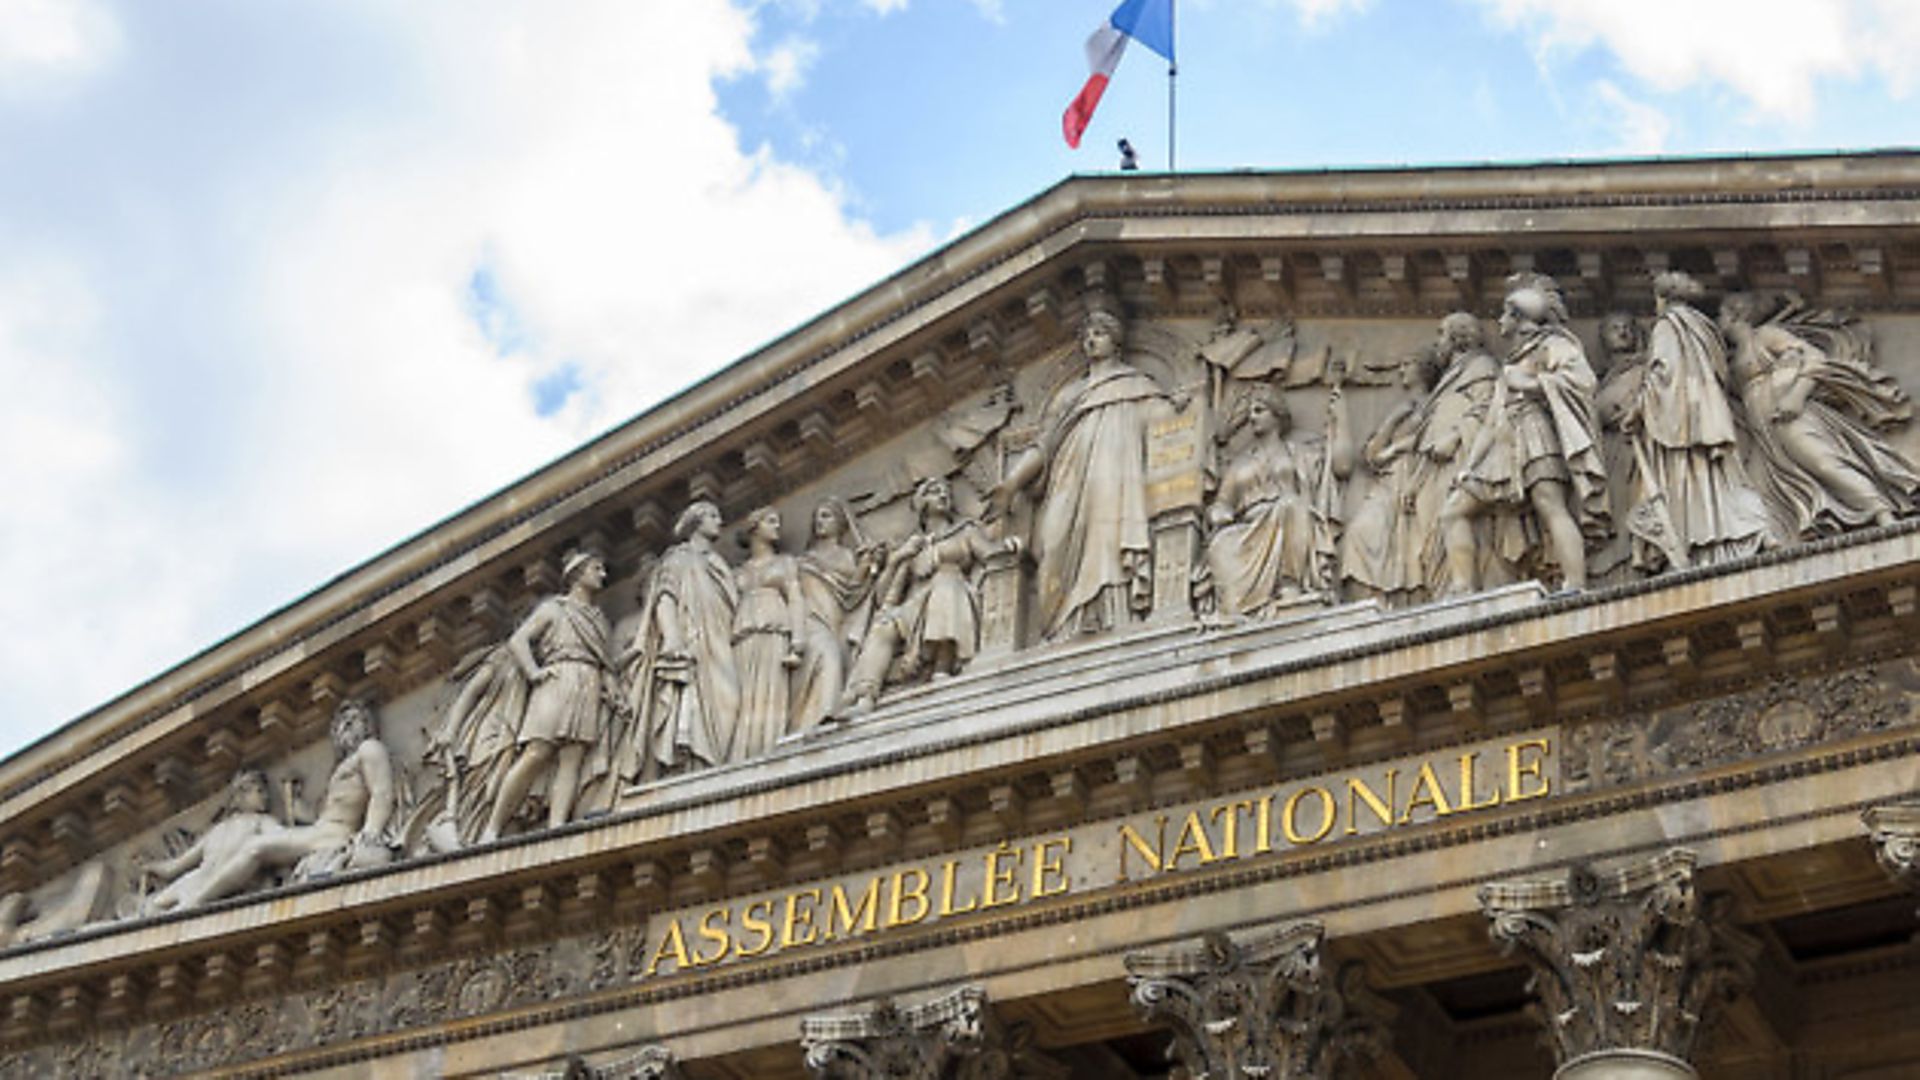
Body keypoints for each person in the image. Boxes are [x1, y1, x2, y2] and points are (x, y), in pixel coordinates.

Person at [991, 307, 1172, 640]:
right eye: (1087, 335)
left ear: (1115, 342)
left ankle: (1107, 618)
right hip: (1067, 482)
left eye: (1099, 333)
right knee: (1054, 538)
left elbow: (1165, 423)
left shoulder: (1137, 385)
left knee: (1108, 537)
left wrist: (1181, 413)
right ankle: (1062, 626)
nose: (1091, 340)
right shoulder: (1069, 396)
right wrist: (1012, 482)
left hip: (1116, 478)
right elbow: (1044, 446)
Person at [1441, 273, 1609, 593]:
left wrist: (1532, 384)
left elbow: (1583, 382)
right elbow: (1491, 422)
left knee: (1550, 504)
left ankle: (1575, 583)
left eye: (1505, 313)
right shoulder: (1512, 361)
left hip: (1536, 434)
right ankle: (1462, 589)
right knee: (1453, 511)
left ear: (1519, 317)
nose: (1500, 321)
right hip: (1502, 443)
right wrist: (1468, 468)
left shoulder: (1553, 345)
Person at [140, 701, 395, 910]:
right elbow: (327, 813)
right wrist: (296, 808)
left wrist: (371, 833)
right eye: (341, 724)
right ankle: (183, 897)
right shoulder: (343, 766)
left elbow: (382, 792)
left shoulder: (369, 749)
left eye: (354, 720)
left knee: (255, 847)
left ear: (368, 725)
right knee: (254, 846)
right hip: (320, 831)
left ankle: (195, 902)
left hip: (335, 836)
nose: (347, 727)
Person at [1720, 292, 1920, 537]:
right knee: (1763, 488)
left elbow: (1816, 359)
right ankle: (1800, 528)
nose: (1719, 321)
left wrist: (1796, 396)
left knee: (1823, 462)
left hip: (1787, 414)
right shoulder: (1732, 359)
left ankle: (1882, 513)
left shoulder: (1766, 336)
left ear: (1735, 315)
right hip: (1763, 430)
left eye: (1721, 314)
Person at [1614, 272, 1770, 571]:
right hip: (1709, 415)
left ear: (1660, 300)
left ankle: (1701, 543)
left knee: (1688, 482)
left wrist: (1637, 410)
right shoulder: (1704, 328)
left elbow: (1663, 371)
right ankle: (1744, 531)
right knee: (1720, 480)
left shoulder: (1667, 326)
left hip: (1679, 419)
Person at [1342, 313, 1499, 602]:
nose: (1437, 341)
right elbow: (1421, 442)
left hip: (1459, 460)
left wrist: (1454, 437)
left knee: (1450, 521)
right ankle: (1446, 595)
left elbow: (1489, 408)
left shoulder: (1481, 366)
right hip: (1430, 469)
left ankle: (1461, 589)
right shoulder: (1448, 382)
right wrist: (1414, 483)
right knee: (1433, 537)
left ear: (1459, 337)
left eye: (1441, 334)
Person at [839, 478, 1018, 715]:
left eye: (946, 492)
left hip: (953, 593)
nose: (943, 495)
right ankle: (865, 697)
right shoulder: (914, 544)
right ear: (921, 503)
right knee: (883, 627)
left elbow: (989, 554)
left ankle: (942, 668)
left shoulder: (965, 531)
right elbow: (884, 598)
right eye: (934, 492)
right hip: (914, 605)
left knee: (946, 581)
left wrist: (1010, 545)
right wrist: (898, 558)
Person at [478, 551, 615, 842]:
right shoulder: (555, 609)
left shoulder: (600, 620)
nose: (603, 575)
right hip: (557, 677)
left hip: (587, 681)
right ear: (577, 574)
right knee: (537, 752)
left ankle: (556, 829)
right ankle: (492, 828)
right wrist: (533, 672)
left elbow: (604, 662)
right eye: (597, 568)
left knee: (572, 757)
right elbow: (519, 640)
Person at [1196, 382, 1351, 618]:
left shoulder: (1300, 452)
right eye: (1250, 412)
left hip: (1288, 521)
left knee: (1290, 505)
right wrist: (1218, 513)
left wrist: (1340, 419)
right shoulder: (1240, 463)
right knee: (1219, 545)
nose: (1251, 417)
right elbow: (1221, 503)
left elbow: (1341, 466)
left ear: (1276, 415)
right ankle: (1238, 605)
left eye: (1259, 410)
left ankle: (1290, 585)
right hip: (1249, 531)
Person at [623, 501, 741, 782]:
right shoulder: (677, 558)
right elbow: (665, 597)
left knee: (730, 702)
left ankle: (713, 766)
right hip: (694, 641)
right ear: (695, 522)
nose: (719, 521)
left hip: (721, 641)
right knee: (697, 705)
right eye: (712, 515)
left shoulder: (718, 563)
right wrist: (673, 639)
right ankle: (694, 768)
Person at [138, 770, 282, 914]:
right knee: (151, 909)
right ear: (242, 794)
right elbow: (175, 866)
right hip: (196, 881)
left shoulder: (262, 822)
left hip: (224, 887)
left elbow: (283, 838)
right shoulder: (217, 830)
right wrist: (150, 866)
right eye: (260, 791)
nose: (267, 796)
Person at [792, 498, 880, 734]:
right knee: (827, 656)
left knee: (836, 660)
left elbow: (853, 592)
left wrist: (869, 565)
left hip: (838, 620)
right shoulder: (803, 560)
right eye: (817, 516)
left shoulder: (847, 557)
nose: (820, 521)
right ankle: (822, 718)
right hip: (810, 619)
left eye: (826, 516)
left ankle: (811, 721)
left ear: (841, 523)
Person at [732, 506, 805, 760]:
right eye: (771, 521)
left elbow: (795, 599)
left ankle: (769, 751)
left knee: (770, 695)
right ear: (755, 528)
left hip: (774, 633)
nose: (777, 527)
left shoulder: (785, 563)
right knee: (743, 699)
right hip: (742, 638)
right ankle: (742, 757)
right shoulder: (738, 573)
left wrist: (798, 643)